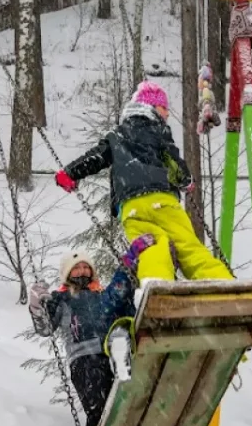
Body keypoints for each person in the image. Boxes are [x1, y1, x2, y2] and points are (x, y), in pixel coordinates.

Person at [54, 80, 234, 285]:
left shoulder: (117, 135)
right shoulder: (158, 130)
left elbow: (95, 157)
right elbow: (173, 162)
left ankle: (157, 286)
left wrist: (69, 173)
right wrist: (186, 180)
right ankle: (221, 283)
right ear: (151, 107)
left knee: (151, 248)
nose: (166, 113)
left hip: (132, 207)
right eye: (164, 107)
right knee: (188, 247)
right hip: (163, 200)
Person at [29, 237, 155, 426]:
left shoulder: (103, 296)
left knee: (125, 406)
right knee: (100, 408)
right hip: (85, 360)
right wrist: (38, 304)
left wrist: (132, 261)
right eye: (76, 268)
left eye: (86, 267)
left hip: (111, 354)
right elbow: (45, 328)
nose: (82, 271)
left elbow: (121, 293)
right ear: (67, 273)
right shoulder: (61, 299)